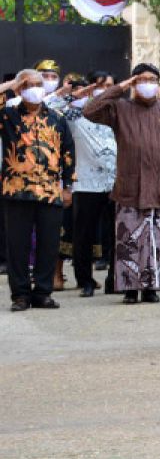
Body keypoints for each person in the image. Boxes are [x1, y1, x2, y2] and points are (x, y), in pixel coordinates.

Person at [83, 63, 160, 305]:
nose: (147, 83)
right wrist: (122, 87)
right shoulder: (120, 109)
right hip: (129, 188)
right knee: (128, 241)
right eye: (142, 79)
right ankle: (130, 288)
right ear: (133, 83)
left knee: (156, 240)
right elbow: (90, 111)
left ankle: (151, 287)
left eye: (152, 79)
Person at [0, 69, 75, 311]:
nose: (34, 88)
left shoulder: (56, 117)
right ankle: (20, 295)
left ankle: (43, 293)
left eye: (37, 84)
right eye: (28, 84)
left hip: (50, 191)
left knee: (48, 244)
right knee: (17, 246)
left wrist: (69, 187)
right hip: (17, 191)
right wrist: (11, 84)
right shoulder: (8, 115)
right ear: (20, 89)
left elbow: (68, 153)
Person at [62, 71, 117, 298]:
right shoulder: (76, 116)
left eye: (110, 86)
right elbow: (51, 105)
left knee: (115, 234)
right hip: (86, 184)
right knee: (83, 235)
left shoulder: (118, 113)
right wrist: (75, 94)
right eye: (100, 86)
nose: (105, 91)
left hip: (115, 182)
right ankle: (84, 280)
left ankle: (115, 279)